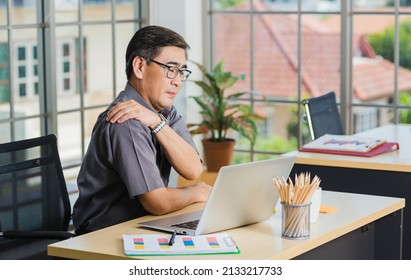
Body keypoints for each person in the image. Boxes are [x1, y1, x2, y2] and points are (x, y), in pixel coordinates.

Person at [72, 25, 212, 235]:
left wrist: (157, 122)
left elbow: (192, 170)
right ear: (139, 66)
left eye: (182, 72)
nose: (178, 81)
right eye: (171, 69)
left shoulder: (163, 112)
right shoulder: (125, 121)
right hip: (104, 236)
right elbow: (158, 203)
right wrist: (196, 192)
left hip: (140, 227)